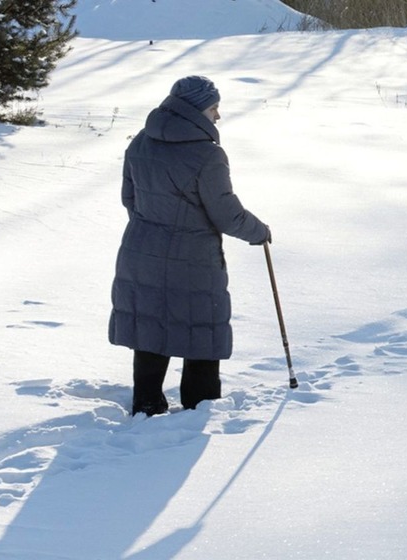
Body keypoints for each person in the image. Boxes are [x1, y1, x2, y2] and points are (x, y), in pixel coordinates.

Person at [109, 76, 271, 416]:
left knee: (151, 327)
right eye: (214, 108)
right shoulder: (208, 155)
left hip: (141, 251)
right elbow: (226, 213)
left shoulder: (141, 141)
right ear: (196, 109)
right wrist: (259, 231)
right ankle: (199, 408)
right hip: (194, 259)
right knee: (201, 328)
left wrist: (154, 229)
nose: (218, 116)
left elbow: (130, 198)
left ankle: (147, 403)